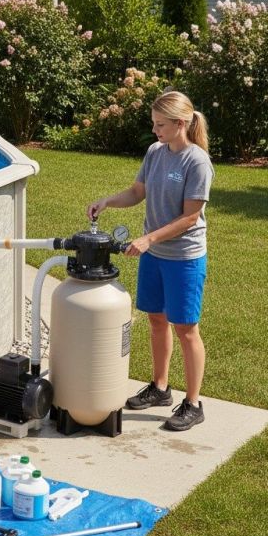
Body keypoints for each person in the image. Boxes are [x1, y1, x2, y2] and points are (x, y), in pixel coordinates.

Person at [87, 90, 214, 432]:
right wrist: (107, 201)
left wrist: (148, 239)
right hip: (155, 255)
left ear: (181, 123)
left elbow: (190, 218)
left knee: (186, 329)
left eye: (161, 124)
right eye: (154, 124)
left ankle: (194, 402)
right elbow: (137, 192)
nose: (155, 130)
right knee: (156, 320)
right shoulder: (155, 152)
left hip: (183, 256)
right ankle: (160, 388)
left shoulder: (196, 162)